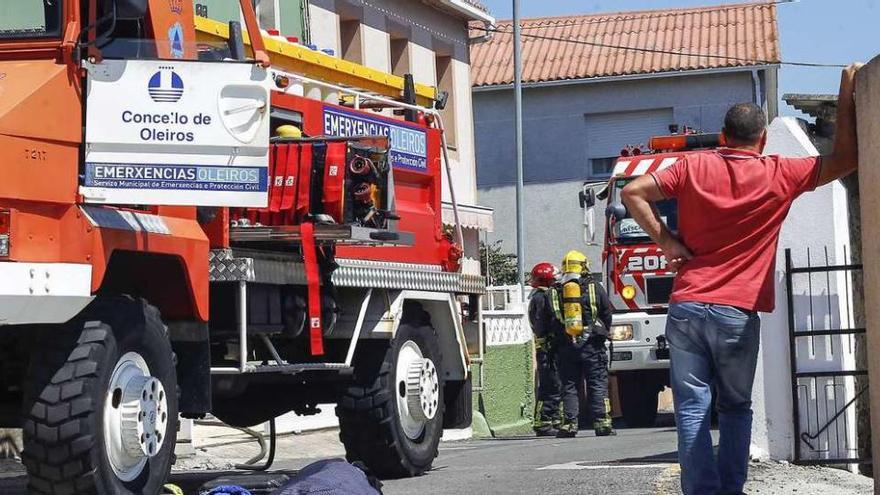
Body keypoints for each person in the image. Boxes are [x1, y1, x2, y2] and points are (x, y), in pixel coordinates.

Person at [620, 65, 862, 495]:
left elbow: (632, 191)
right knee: (734, 407)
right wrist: (846, 88)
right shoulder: (779, 173)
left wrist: (667, 241)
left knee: (692, 409)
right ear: (762, 139)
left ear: (723, 136)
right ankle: (730, 490)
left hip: (688, 305)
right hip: (736, 310)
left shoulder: (692, 168)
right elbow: (845, 160)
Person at [553, 251, 615, 438]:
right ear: (584, 266)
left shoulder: (556, 290)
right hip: (593, 345)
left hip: (566, 346)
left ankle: (569, 425)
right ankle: (602, 423)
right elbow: (606, 313)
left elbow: (552, 319)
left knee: (569, 385)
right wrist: (600, 332)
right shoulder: (595, 287)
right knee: (597, 383)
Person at [528, 262, 564, 436]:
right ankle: (542, 422)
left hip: (550, 347)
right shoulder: (541, 298)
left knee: (557, 384)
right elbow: (542, 324)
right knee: (549, 385)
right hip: (547, 349)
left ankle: (555, 419)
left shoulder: (543, 296)